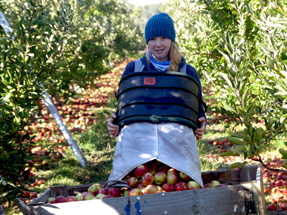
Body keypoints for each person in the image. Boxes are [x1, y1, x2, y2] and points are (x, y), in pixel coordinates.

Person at [107, 13, 206, 187]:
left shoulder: (187, 72)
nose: (158, 44)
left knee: (180, 186)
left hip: (176, 147)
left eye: (163, 38)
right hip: (138, 147)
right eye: (152, 39)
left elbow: (197, 108)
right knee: (129, 185)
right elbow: (124, 106)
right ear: (147, 41)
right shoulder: (134, 69)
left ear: (172, 40)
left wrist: (202, 122)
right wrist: (114, 122)